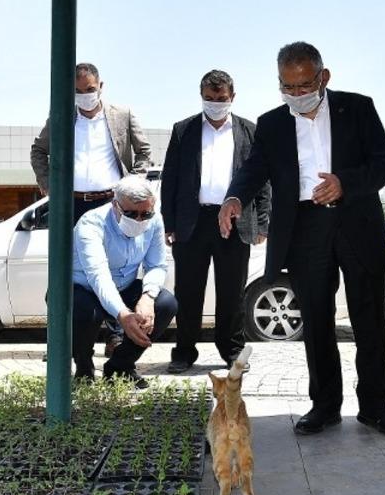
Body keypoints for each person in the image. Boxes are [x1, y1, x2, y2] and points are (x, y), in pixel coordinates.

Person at [219, 42, 385, 438]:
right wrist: (234, 197)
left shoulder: (357, 108)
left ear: (324, 77)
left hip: (357, 222)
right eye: (287, 87)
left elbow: (384, 164)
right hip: (304, 228)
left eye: (305, 85)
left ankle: (376, 405)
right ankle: (324, 405)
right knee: (317, 320)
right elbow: (254, 169)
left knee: (369, 316)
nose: (297, 94)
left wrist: (345, 183)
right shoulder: (272, 123)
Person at [31, 62, 152, 354]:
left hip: (112, 203)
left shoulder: (122, 114)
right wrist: (49, 185)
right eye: (77, 91)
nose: (84, 95)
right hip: (70, 204)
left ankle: (116, 335)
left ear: (101, 86)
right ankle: (60, 339)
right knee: (66, 270)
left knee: (114, 268)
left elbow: (144, 151)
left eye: (89, 89)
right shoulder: (61, 116)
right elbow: (39, 150)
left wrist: (132, 185)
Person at [160, 70, 269, 375]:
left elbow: (262, 179)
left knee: (232, 292)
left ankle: (232, 350)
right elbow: (170, 180)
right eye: (209, 98)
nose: (215, 103)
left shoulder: (250, 131)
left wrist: (262, 222)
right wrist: (169, 223)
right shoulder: (184, 130)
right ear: (201, 97)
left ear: (232, 97)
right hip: (192, 222)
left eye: (221, 98)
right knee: (188, 291)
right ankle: (184, 351)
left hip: (235, 222)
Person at [72, 175, 178, 388]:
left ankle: (120, 366)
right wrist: (123, 315)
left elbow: (157, 265)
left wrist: (148, 297)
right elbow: (99, 276)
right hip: (86, 288)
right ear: (115, 205)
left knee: (166, 304)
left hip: (125, 285)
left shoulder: (155, 220)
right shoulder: (91, 223)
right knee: (84, 312)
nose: (139, 220)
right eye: (131, 214)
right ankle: (84, 370)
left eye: (145, 213)